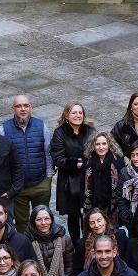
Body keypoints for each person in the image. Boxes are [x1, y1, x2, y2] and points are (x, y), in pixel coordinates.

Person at [50, 102, 98, 245]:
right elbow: (58, 158)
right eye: (74, 113)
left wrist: (85, 164)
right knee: (73, 215)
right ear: (66, 115)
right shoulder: (60, 133)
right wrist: (75, 163)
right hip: (69, 180)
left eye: (80, 113)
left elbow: (96, 151)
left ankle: (90, 242)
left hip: (89, 177)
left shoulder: (90, 131)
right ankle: (77, 245)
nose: (78, 115)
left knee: (90, 212)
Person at [4, 95, 51, 233]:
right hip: (19, 187)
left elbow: (48, 152)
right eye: (19, 106)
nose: (23, 109)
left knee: (43, 219)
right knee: (22, 222)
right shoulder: (4, 129)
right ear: (13, 109)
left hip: (40, 183)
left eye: (26, 105)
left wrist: (49, 177)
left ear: (31, 107)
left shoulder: (41, 126)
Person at [82, 133, 126, 229]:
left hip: (111, 204)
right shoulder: (87, 161)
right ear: (93, 145)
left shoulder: (118, 161)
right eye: (98, 144)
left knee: (111, 233)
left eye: (104, 144)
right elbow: (83, 184)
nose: (101, 147)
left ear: (109, 144)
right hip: (92, 203)